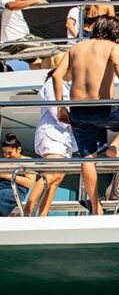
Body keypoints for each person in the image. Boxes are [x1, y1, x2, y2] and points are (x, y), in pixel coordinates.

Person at [52, 16, 119, 215]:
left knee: (87, 157)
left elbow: (57, 75)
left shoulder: (75, 48)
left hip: (78, 110)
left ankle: (95, 206)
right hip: (103, 107)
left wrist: (60, 107)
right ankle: (114, 147)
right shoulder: (112, 47)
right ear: (114, 33)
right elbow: (118, 65)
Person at [27, 57, 78, 216]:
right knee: (51, 175)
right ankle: (27, 210)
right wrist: (72, 121)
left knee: (58, 178)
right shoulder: (51, 85)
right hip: (52, 135)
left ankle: (43, 214)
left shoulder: (66, 87)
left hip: (63, 138)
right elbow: (56, 110)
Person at [0, 133, 36, 216]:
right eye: (4, 153)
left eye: (10, 153)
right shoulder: (4, 161)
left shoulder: (27, 161)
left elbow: (30, 183)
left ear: (18, 149)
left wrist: (6, 176)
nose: (7, 156)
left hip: (14, 190)